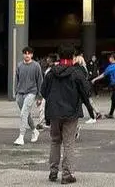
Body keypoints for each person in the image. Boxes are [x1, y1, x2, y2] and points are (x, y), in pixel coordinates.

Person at [41, 44, 92, 184]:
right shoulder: (77, 72)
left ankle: (53, 172)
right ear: (73, 56)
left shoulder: (51, 72)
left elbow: (43, 91)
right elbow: (87, 91)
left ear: (59, 56)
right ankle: (67, 174)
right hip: (71, 112)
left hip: (54, 112)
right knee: (69, 143)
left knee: (55, 141)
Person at [14, 47, 44, 145]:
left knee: (23, 113)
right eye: (25, 53)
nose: (27, 55)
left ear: (32, 55)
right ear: (23, 54)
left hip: (31, 92)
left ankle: (21, 136)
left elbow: (40, 81)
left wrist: (39, 96)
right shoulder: (19, 65)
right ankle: (35, 131)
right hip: (20, 93)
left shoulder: (36, 66)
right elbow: (17, 79)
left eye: (29, 53)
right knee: (26, 115)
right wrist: (16, 92)